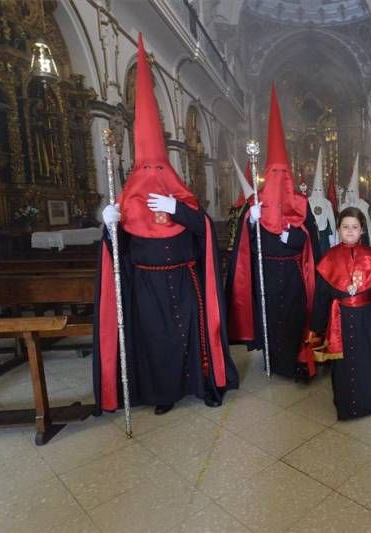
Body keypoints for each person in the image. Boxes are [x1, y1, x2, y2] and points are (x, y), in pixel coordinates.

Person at [94, 34, 238, 416]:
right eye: (147, 168)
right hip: (145, 285)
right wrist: (109, 225)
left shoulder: (182, 199)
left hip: (184, 279)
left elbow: (203, 230)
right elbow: (116, 252)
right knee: (156, 340)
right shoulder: (126, 203)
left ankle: (202, 382)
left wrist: (178, 208)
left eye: (161, 167)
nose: (154, 174)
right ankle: (162, 393)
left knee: (194, 333)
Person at [226, 84, 321, 381]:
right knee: (269, 318)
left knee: (293, 318)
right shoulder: (255, 203)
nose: (279, 180)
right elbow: (245, 249)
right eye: (274, 173)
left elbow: (312, 242)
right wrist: (250, 222)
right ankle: (271, 357)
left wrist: (292, 238)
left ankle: (294, 357)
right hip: (265, 273)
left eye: (284, 174)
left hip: (292, 274)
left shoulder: (301, 204)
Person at [310, 207, 371, 420]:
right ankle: (345, 403)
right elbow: (322, 292)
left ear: (362, 230)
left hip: (365, 317)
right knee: (342, 363)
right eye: (345, 227)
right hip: (340, 318)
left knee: (368, 359)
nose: (350, 231)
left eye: (354, 227)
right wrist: (318, 322)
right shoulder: (330, 256)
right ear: (338, 229)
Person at [340, 154, 371, 249]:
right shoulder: (343, 206)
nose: (351, 194)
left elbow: (367, 223)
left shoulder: (363, 205)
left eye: (353, 191)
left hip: (361, 238)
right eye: (349, 191)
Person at [308, 147, 338, 255]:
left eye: (319, 189)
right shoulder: (308, 201)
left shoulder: (326, 203)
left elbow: (332, 221)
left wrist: (333, 236)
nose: (317, 192)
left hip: (324, 233)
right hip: (311, 233)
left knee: (324, 254)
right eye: (316, 189)